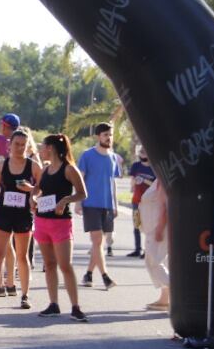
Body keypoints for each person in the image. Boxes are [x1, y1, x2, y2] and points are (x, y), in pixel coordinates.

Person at [0, 129, 42, 309]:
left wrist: (32, 190)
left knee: (22, 256)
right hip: (3, 213)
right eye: (16, 144)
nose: (20, 148)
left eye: (23, 145)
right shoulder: (2, 165)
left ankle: (25, 295)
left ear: (28, 146)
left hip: (23, 215)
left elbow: (43, 187)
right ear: (9, 145)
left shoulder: (33, 166)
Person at [33, 133, 88, 321]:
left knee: (65, 265)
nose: (40, 150)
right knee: (49, 264)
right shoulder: (46, 169)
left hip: (61, 223)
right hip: (42, 221)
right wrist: (33, 198)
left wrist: (65, 200)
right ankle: (53, 303)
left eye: (42, 147)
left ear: (50, 148)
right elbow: (37, 188)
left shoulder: (69, 169)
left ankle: (75, 306)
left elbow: (82, 194)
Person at [78, 122, 121, 289]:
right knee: (97, 240)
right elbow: (80, 179)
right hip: (91, 203)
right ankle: (105, 277)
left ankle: (88, 274)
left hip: (107, 205)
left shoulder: (113, 157)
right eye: (105, 135)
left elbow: (113, 182)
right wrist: (78, 202)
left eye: (110, 135)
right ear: (98, 136)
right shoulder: (87, 155)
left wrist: (115, 204)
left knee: (98, 244)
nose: (109, 138)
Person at [139, 178, 169, 311]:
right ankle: (165, 299)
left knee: (154, 261)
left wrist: (160, 228)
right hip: (153, 227)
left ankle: (178, 293)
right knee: (162, 261)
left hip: (158, 228)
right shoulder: (158, 179)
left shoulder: (163, 179)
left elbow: (165, 206)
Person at [127, 146, 155, 258]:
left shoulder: (154, 168)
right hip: (136, 201)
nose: (142, 154)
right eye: (141, 152)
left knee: (148, 226)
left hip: (149, 202)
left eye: (144, 151)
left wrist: (144, 180)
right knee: (137, 225)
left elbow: (156, 185)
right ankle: (137, 249)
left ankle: (147, 251)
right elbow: (132, 181)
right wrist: (133, 183)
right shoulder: (136, 166)